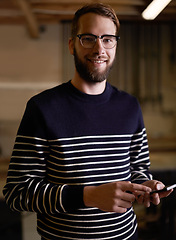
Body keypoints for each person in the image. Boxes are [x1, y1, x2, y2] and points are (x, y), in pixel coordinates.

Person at [3, 3, 172, 240]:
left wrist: (147, 186)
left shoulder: (130, 106)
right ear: (72, 45)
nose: (99, 48)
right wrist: (86, 196)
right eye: (88, 38)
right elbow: (17, 193)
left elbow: (138, 170)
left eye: (108, 39)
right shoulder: (42, 108)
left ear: (115, 45)